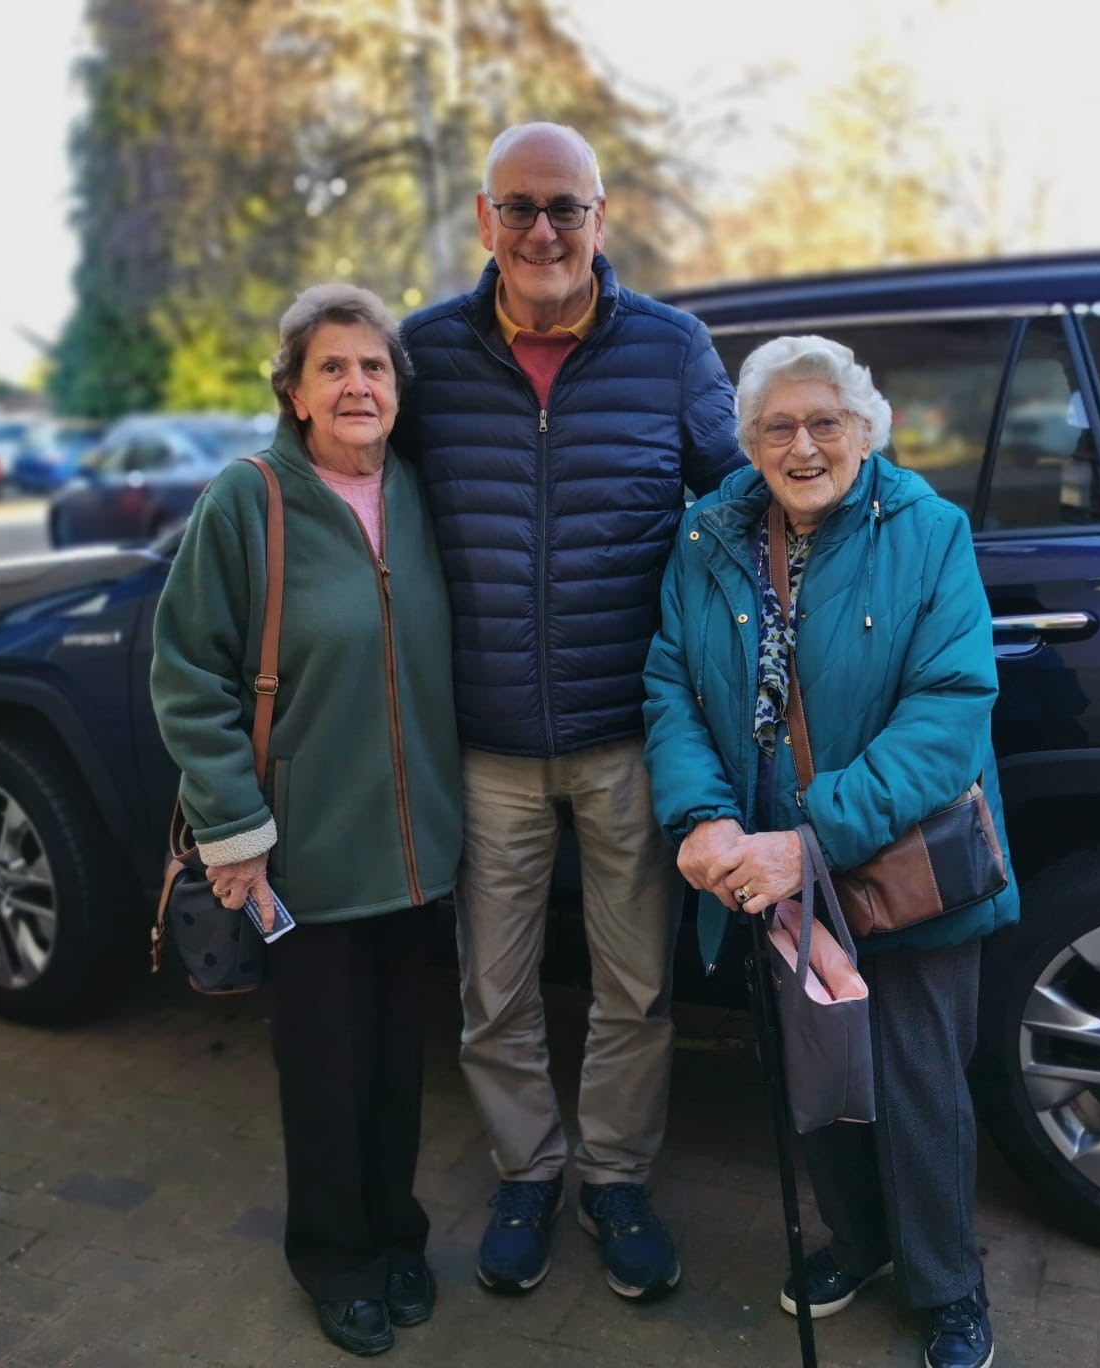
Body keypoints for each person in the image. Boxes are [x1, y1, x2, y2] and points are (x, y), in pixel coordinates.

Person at [399, 121, 744, 1301]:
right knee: (492, 989)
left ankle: (615, 1179)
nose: (543, 231)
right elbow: (347, 487)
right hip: (486, 744)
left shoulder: (672, 347)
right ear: (484, 219)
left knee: (632, 985)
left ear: (603, 217)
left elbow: (744, 506)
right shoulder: (423, 354)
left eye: (566, 208)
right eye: (520, 207)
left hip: (628, 739)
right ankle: (526, 1171)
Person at [642, 335, 1018, 1368]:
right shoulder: (708, 533)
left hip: (891, 866)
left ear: (865, 429)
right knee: (811, 1071)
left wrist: (808, 842)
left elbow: (950, 718)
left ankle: (948, 1286)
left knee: (918, 1085)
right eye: (777, 425)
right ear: (750, 440)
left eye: (824, 422)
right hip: (760, 873)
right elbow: (671, 685)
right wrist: (704, 821)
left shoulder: (928, 531)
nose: (802, 444)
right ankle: (857, 1242)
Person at [150, 284, 461, 1359]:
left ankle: (396, 1231)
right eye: (332, 368)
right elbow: (187, 672)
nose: (357, 385)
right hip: (302, 851)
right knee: (324, 1072)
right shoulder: (250, 501)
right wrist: (232, 827)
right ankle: (335, 1257)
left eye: (374, 367)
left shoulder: (418, 493)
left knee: (397, 1062)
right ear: (292, 391)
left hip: (415, 850)